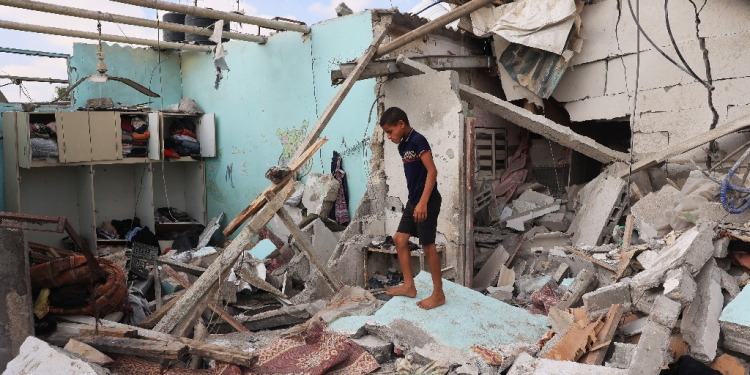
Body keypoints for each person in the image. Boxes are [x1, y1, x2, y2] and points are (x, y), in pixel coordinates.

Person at [380, 107, 445, 310]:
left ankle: (439, 294)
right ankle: (409, 286)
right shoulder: (403, 146)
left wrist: (424, 202)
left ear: (401, 124)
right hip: (413, 201)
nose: (389, 137)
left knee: (428, 246)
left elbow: (432, 172)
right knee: (400, 239)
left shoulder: (418, 140)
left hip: (427, 200)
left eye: (390, 131)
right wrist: (416, 202)